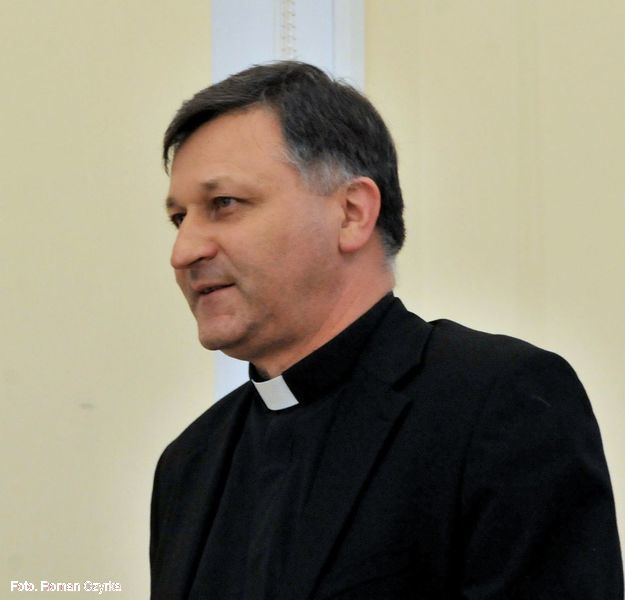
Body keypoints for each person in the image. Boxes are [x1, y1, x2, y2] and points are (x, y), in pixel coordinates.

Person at [150, 61, 623, 599]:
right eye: (179, 218)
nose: (184, 251)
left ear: (352, 213)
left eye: (224, 204)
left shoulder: (495, 401)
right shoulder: (189, 463)